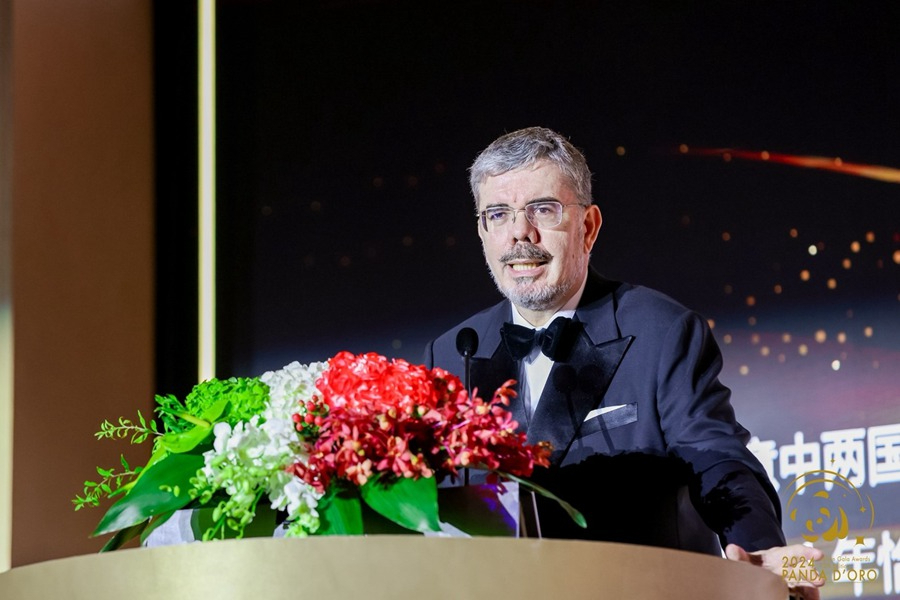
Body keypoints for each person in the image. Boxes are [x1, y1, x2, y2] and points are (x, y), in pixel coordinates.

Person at [425, 126, 824, 597]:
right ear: (482, 231)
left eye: (543, 209)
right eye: (498, 214)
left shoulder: (660, 331)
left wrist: (758, 548)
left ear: (588, 227)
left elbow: (715, 458)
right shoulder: (452, 354)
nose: (519, 233)